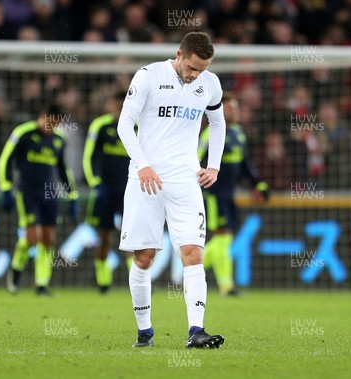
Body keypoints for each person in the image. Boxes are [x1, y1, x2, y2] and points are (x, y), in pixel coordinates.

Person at [117, 31, 226, 349]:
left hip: (186, 180)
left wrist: (214, 165)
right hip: (145, 180)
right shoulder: (149, 75)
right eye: (192, 68)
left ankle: (196, 331)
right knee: (145, 257)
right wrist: (143, 164)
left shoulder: (210, 83)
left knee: (193, 253)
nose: (196, 76)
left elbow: (217, 123)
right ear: (179, 55)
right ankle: (145, 332)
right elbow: (125, 123)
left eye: (202, 70)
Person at [0, 104, 78, 296]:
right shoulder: (23, 133)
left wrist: (72, 195)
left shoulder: (59, 140)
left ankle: (42, 284)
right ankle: (17, 268)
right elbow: (5, 159)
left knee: (48, 238)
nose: (52, 127)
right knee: (32, 238)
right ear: (41, 117)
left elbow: (63, 169)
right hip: (27, 193)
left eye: (56, 123)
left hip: (50, 194)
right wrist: (6, 187)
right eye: (49, 122)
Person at [198, 92, 269, 296]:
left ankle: (192, 269)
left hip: (230, 193)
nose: (233, 111)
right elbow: (195, 160)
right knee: (222, 235)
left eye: (235, 107)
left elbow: (245, 163)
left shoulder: (238, 132)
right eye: (229, 107)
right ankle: (226, 286)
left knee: (225, 237)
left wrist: (258, 184)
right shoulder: (209, 133)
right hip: (213, 194)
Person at [83, 91, 131, 294]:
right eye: (117, 104)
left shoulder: (137, 127)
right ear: (111, 105)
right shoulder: (100, 126)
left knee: (133, 236)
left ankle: (137, 281)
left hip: (130, 190)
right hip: (105, 190)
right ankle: (103, 280)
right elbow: (88, 157)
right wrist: (95, 183)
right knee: (104, 236)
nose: (120, 109)